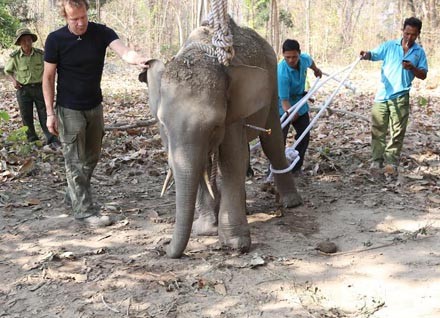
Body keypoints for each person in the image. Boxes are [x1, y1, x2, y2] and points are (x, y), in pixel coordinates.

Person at [43, 0, 148, 227]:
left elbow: (123, 51)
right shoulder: (55, 39)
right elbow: (48, 78)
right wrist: (50, 113)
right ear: (65, 17)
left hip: (94, 105)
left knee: (92, 156)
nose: (80, 23)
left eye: (83, 17)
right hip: (68, 108)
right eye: (74, 19)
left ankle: (73, 193)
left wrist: (137, 59)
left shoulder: (101, 32)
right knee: (74, 160)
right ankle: (84, 212)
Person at [360, 17, 428, 175]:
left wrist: (412, 68)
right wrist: (366, 54)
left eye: (413, 34)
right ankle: (376, 161)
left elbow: (423, 74)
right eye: (406, 33)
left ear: (418, 34)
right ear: (402, 31)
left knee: (397, 131)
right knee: (378, 129)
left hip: (401, 95)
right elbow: (374, 54)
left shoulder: (419, 52)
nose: (409, 37)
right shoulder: (390, 46)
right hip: (382, 95)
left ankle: (391, 162)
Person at [4, 28, 59, 145]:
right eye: (23, 41)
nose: (26, 43)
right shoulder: (15, 57)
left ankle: (51, 138)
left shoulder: (40, 55)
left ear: (32, 41)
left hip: (40, 88)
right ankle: (32, 139)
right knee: (26, 115)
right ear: (19, 43)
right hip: (23, 89)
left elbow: (49, 68)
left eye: (28, 40)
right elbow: (7, 71)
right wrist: (14, 81)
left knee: (45, 113)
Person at [278, 39, 322, 173]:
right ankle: (276, 168)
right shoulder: (281, 73)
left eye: (294, 57)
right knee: (279, 139)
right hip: (282, 107)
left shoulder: (304, 59)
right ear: (283, 55)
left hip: (300, 102)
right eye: (288, 57)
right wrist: (290, 112)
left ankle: (296, 167)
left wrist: (316, 70)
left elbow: (311, 61)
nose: (291, 60)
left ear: (299, 54)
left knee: (304, 135)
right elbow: (284, 100)